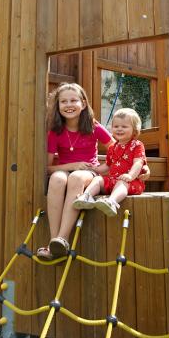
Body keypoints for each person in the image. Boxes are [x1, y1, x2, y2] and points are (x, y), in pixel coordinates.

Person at [40, 83, 112, 260]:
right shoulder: (54, 132)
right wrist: (71, 166)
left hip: (88, 173)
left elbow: (117, 151)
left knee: (77, 178)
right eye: (63, 101)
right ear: (58, 106)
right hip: (66, 170)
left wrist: (102, 169)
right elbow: (48, 168)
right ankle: (53, 243)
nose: (68, 105)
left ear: (84, 103)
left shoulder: (94, 127)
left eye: (73, 100)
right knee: (56, 179)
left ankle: (62, 239)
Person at [73, 108, 146, 217]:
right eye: (116, 126)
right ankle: (86, 197)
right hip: (113, 181)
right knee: (97, 179)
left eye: (124, 127)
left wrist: (130, 176)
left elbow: (138, 163)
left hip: (131, 183)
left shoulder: (137, 145)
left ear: (134, 130)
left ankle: (111, 202)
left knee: (122, 181)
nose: (119, 129)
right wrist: (94, 168)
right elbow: (107, 166)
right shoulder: (113, 147)